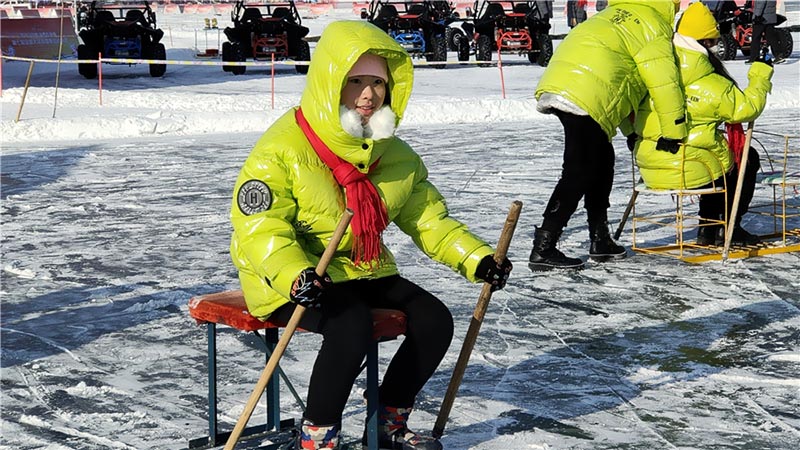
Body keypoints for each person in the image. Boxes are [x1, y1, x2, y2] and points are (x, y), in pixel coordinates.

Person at [229, 20, 513, 450]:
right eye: (356, 81)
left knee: (435, 319)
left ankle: (387, 423)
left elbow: (428, 219)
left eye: (378, 83)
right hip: (294, 277)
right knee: (351, 327)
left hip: (362, 268)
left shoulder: (393, 153)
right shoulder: (282, 149)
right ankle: (317, 435)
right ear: (330, 83)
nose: (368, 94)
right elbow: (259, 227)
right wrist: (294, 273)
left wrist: (476, 258)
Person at [530, 0, 688, 271]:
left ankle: (599, 238)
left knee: (603, 159)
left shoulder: (615, 13)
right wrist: (673, 133)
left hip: (564, 79)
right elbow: (663, 83)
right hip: (586, 91)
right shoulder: (652, 26)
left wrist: (630, 131)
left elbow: (626, 83)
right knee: (579, 170)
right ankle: (544, 246)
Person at [634, 1, 773, 246]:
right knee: (744, 158)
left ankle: (707, 228)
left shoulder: (655, 70)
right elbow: (747, 109)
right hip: (688, 167)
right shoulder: (711, 83)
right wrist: (761, 72)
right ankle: (729, 226)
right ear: (706, 43)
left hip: (648, 165)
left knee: (712, 156)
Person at [748, 0, 783, 64]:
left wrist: (757, 15)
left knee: (756, 38)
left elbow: (761, 3)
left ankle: (754, 58)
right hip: (770, 18)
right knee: (772, 38)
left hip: (761, 19)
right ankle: (778, 55)